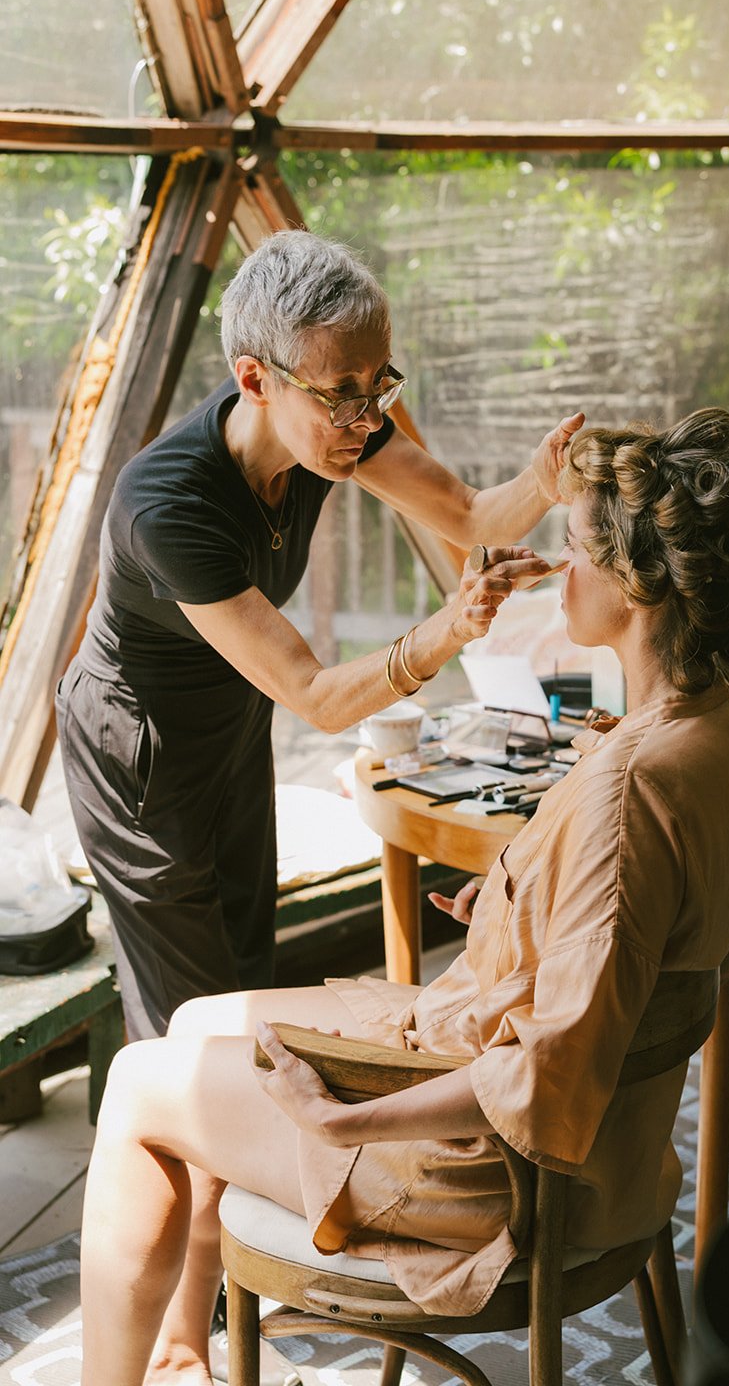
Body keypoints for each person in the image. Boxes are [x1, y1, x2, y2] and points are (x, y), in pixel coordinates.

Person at [79, 407, 729, 1386]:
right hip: (615, 1149)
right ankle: (178, 1355)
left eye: (576, 544)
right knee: (201, 1018)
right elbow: (642, 937)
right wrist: (517, 908)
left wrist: (343, 1122)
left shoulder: (631, 789)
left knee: (135, 1084)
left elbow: (551, 1070)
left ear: (637, 585)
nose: (561, 567)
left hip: (498, 1171)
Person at [56, 230, 582, 1042]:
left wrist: (544, 481)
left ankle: (239, 1151)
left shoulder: (335, 425)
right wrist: (451, 626)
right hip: (137, 743)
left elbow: (470, 514)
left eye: (378, 384)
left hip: (231, 714)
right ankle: (166, 1145)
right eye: (343, 391)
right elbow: (315, 698)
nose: (367, 416)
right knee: (188, 1018)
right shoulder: (167, 507)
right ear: (255, 379)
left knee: (245, 967)